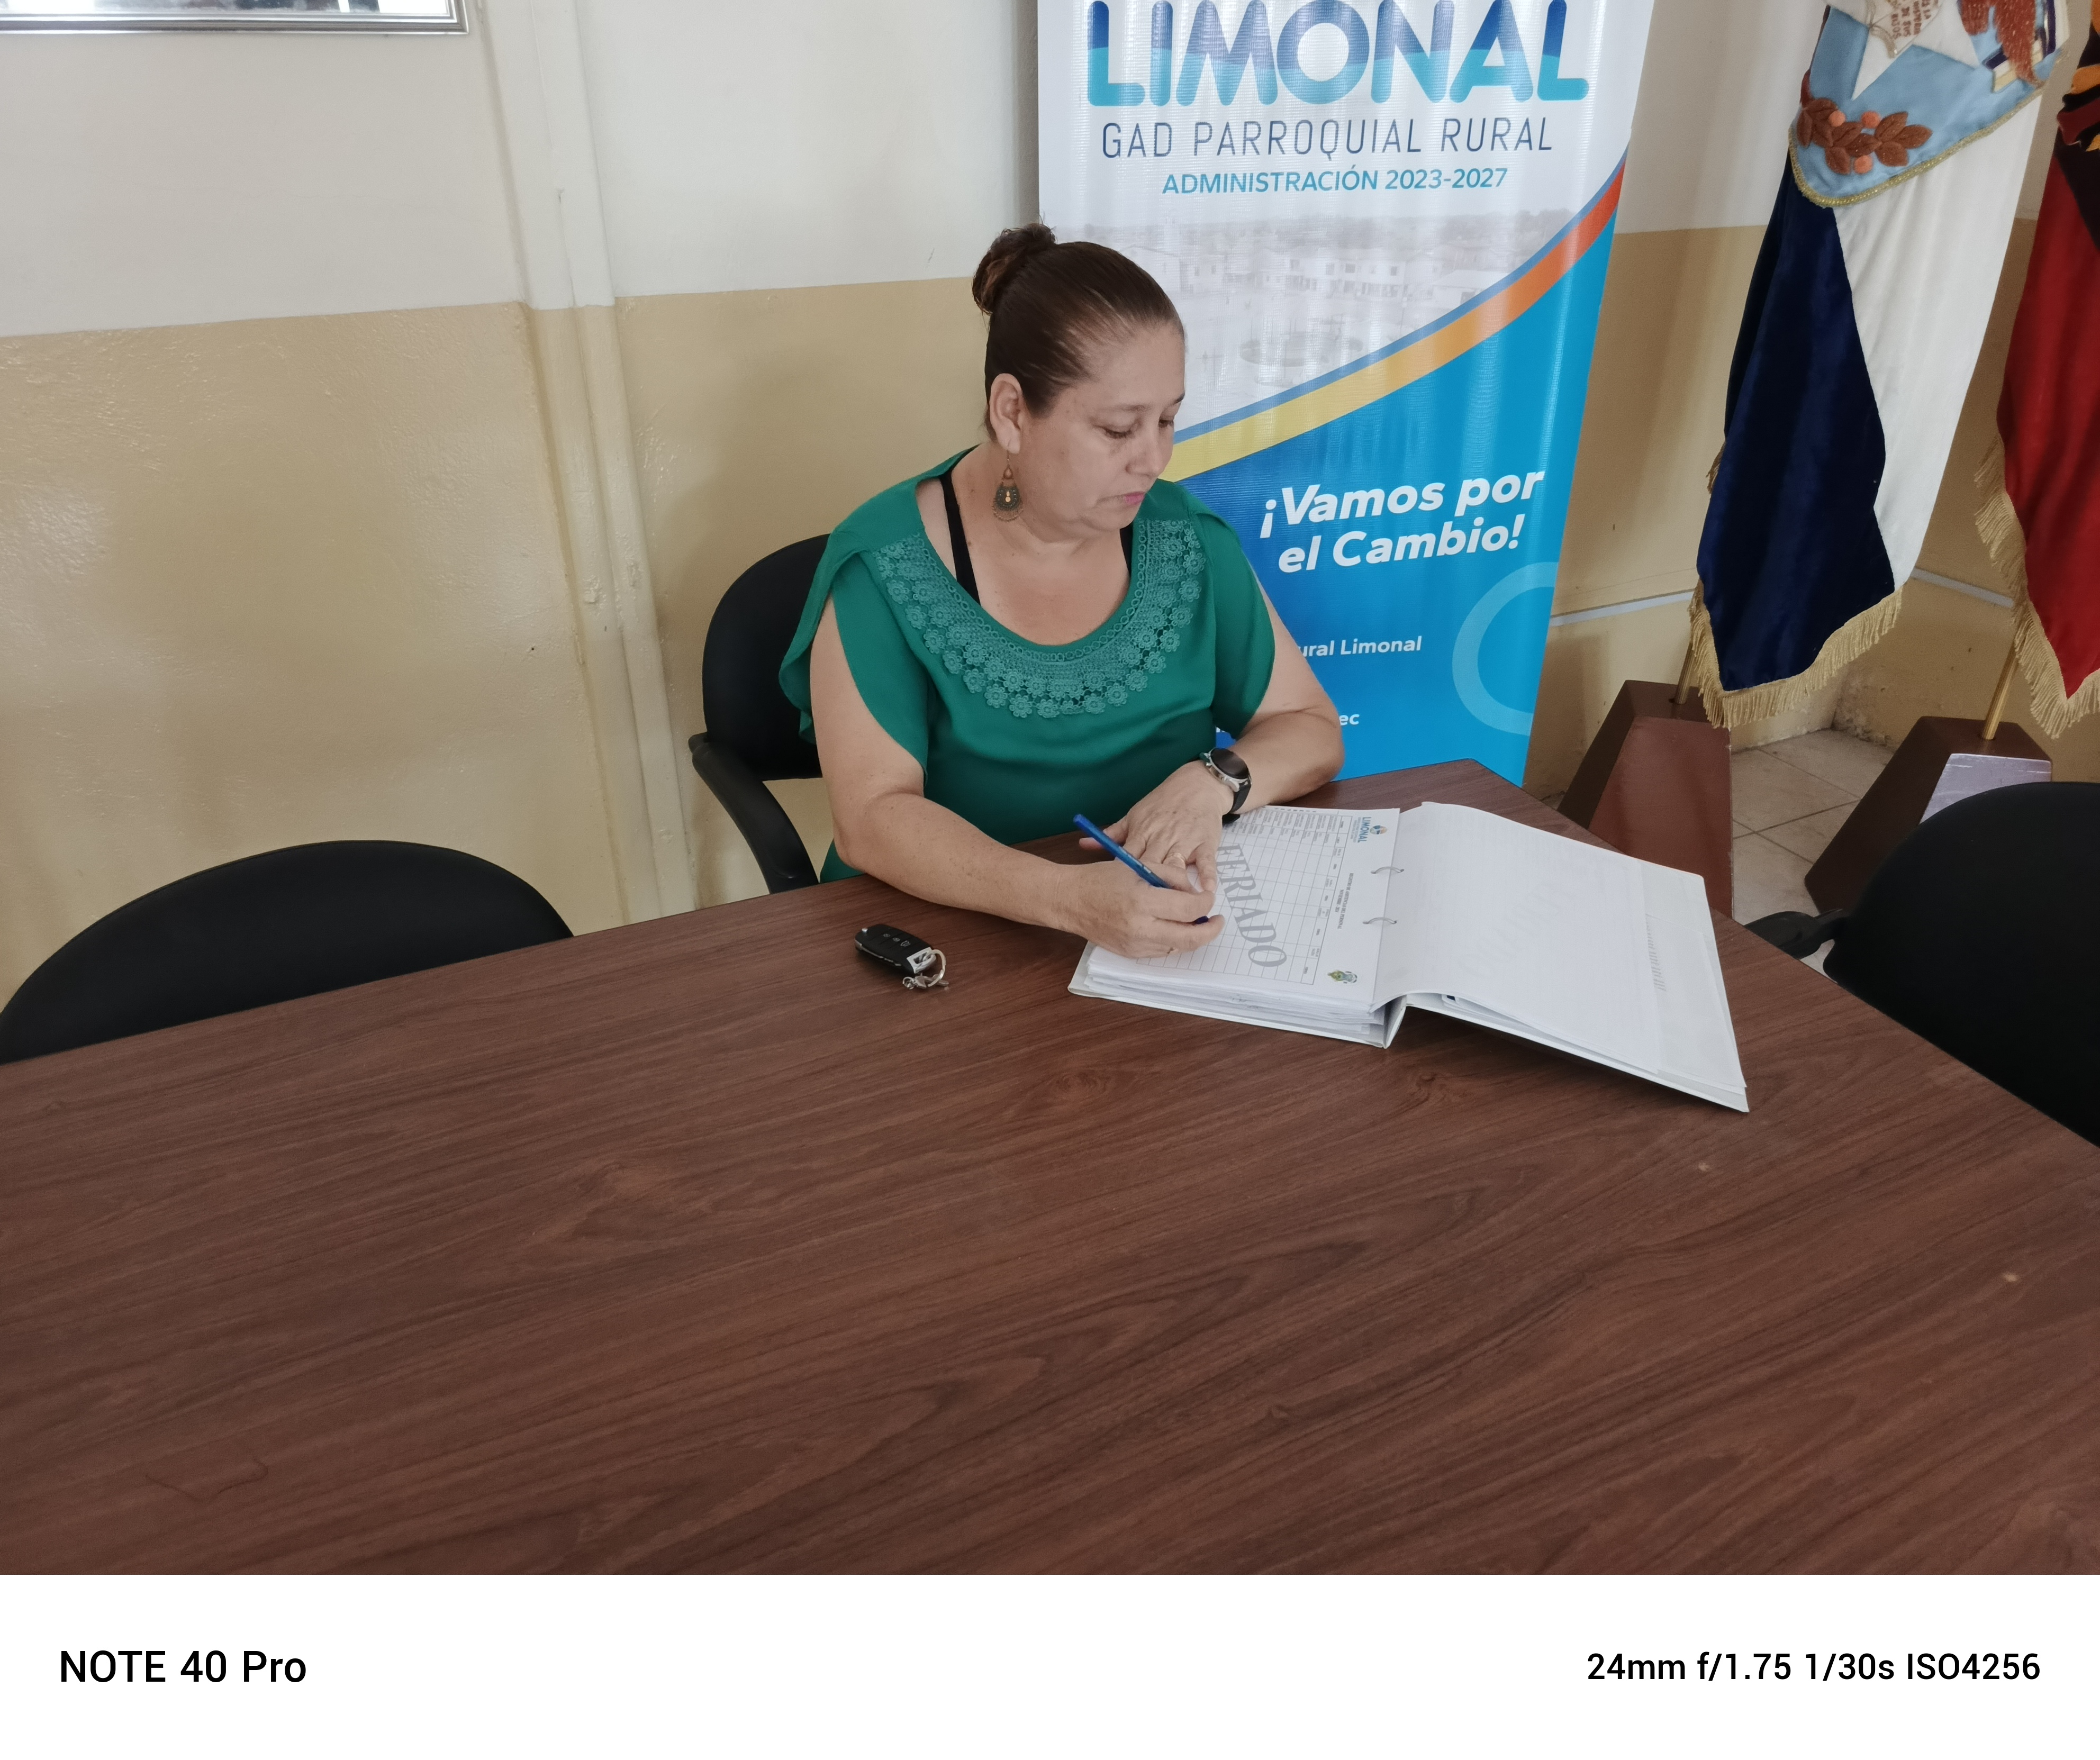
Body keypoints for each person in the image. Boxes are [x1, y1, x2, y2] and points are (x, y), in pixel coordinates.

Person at [780, 224, 1344, 959]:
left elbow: (1309, 726)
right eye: (1118, 429)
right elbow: (873, 818)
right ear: (1013, 411)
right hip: (946, 943)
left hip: (1149, 934)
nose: (1154, 458)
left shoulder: (1185, 539)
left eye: (1167, 419)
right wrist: (1070, 901)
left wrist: (1214, 781)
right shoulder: (887, 566)